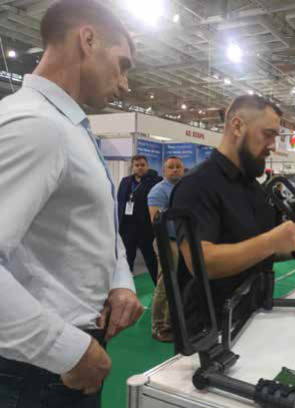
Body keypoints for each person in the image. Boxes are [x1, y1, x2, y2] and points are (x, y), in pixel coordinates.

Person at [0, 1, 143, 407]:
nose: (125, 84)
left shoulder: (68, 127)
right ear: (88, 40)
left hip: (58, 359)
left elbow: (96, 223)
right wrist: (66, 349)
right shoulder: (36, 125)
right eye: (122, 65)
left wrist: (120, 279)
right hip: (36, 372)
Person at [170, 94, 295, 317]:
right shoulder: (197, 184)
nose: (272, 146)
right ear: (237, 126)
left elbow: (254, 249)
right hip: (210, 326)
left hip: (253, 314)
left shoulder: (252, 188)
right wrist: (272, 241)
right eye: (268, 134)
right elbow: (201, 262)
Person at [148, 156, 185, 342]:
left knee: (179, 282)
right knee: (165, 283)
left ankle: (171, 322)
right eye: (171, 167)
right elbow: (156, 221)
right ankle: (159, 326)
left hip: (183, 241)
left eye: (178, 166)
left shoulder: (185, 188)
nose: (175, 169)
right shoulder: (158, 191)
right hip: (166, 241)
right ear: (164, 171)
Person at [117, 155, 161, 285]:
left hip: (146, 229)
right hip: (127, 228)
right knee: (126, 261)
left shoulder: (155, 181)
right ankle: (125, 287)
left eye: (143, 165)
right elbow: (120, 202)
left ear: (147, 166)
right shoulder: (125, 181)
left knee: (152, 261)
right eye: (137, 165)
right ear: (132, 167)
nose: (140, 167)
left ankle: (160, 289)